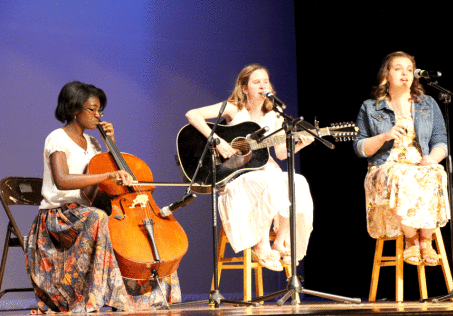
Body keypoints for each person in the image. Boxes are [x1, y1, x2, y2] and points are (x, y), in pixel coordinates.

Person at [25, 81, 181, 313]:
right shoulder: (57, 138)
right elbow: (62, 180)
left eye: (100, 110)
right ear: (75, 110)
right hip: (58, 217)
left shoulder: (94, 143)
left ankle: (144, 293)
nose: (98, 115)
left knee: (126, 224)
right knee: (97, 217)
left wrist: (111, 147)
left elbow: (90, 194)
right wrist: (106, 173)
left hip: (81, 211)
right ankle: (95, 296)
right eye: (92, 109)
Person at [185, 64, 314, 271]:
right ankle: (260, 245)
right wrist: (217, 141)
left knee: (298, 181)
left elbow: (280, 154)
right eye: (256, 82)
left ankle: (280, 242)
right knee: (267, 181)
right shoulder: (233, 107)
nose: (262, 86)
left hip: (265, 169)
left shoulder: (276, 114)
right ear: (244, 88)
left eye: (265, 81)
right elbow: (193, 115)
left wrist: (300, 144)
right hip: (235, 175)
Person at [353, 51, 450, 266]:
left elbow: (441, 141)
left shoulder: (428, 104)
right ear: (386, 74)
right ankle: (411, 239)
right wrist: (384, 136)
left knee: (438, 172)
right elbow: (360, 147)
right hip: (384, 167)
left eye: (409, 69)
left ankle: (426, 240)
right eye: (398, 68)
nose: (405, 73)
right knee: (401, 174)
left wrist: (432, 158)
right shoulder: (370, 107)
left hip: (420, 163)